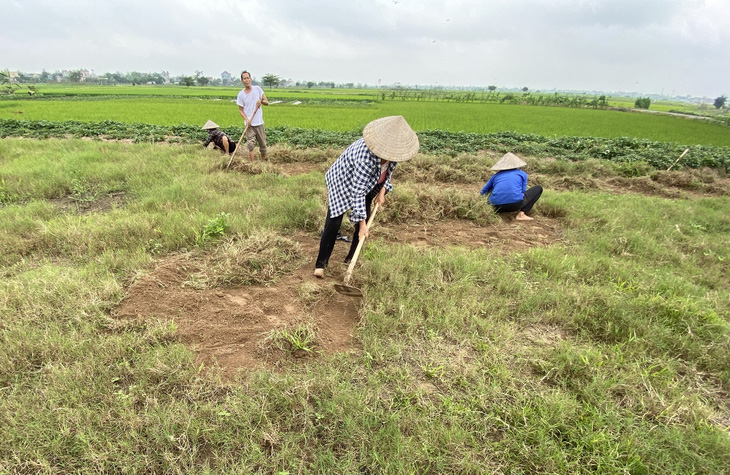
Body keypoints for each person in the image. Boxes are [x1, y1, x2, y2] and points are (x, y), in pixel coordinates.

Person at [314, 115, 419, 278]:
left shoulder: (393, 156)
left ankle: (350, 261)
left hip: (369, 184)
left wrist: (383, 191)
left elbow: (387, 175)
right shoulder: (366, 156)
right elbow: (358, 192)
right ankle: (321, 264)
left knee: (364, 220)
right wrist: (362, 224)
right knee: (334, 221)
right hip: (342, 181)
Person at [480, 152, 542, 221]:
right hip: (515, 205)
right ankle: (522, 214)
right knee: (538, 189)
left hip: (495, 207)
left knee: (494, 187)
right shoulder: (522, 174)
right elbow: (523, 191)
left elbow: (483, 191)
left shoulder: (496, 176)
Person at [235, 71, 269, 162]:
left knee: (263, 145)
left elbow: (267, 102)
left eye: (248, 78)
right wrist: (246, 119)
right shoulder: (241, 95)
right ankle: (253, 164)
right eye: (244, 78)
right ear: (242, 81)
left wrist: (260, 101)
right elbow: (241, 110)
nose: (247, 80)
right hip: (249, 125)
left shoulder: (257, 89)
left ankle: (263, 163)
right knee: (250, 145)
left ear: (251, 79)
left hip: (259, 123)